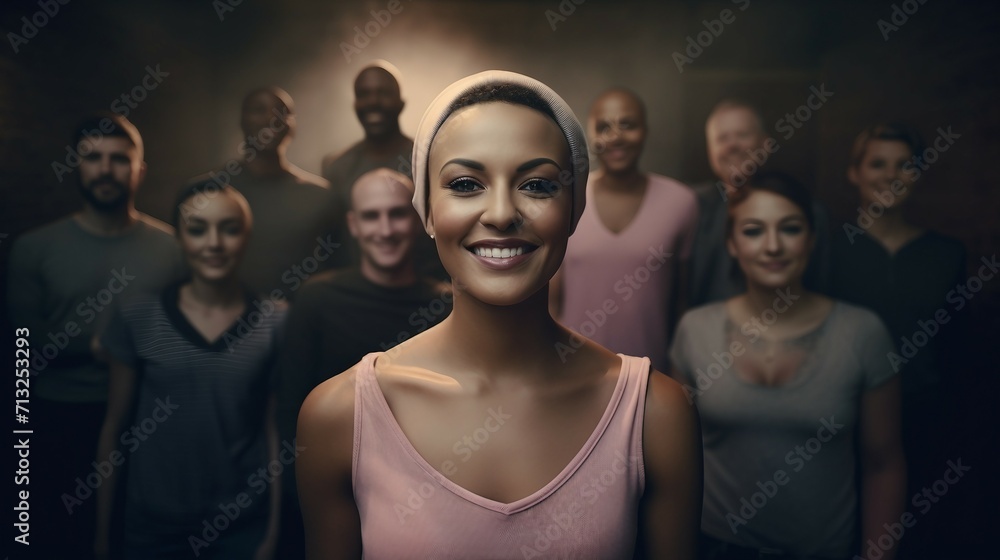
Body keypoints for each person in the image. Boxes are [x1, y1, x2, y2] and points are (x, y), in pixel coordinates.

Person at [297, 71, 702, 559]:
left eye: (536, 184)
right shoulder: (341, 415)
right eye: (466, 184)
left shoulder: (656, 414)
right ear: (426, 208)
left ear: (574, 209)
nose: (502, 212)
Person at [670, 172, 906, 559]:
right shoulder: (695, 331)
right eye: (753, 231)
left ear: (812, 239)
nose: (773, 246)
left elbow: (884, 463)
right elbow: (677, 466)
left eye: (790, 228)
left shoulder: (863, 332)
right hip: (714, 548)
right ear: (731, 243)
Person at [6, 112, 184, 559]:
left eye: (119, 159)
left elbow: (179, 338)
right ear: (76, 165)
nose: (106, 169)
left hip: (144, 424)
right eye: (93, 157)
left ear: (140, 169)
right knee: (51, 542)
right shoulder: (34, 248)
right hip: (53, 422)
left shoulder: (171, 249)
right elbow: (19, 350)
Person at [95, 180, 285, 559]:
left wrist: (272, 533)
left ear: (246, 236)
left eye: (229, 229)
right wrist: (101, 539)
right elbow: (114, 429)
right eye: (197, 229)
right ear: (179, 238)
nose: (213, 243)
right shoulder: (138, 315)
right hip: (151, 528)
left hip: (240, 529)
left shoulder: (275, 321)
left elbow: (276, 434)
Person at [274, 168, 451, 558]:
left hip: (424, 498)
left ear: (421, 220)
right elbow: (289, 408)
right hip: (331, 491)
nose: (385, 229)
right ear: (353, 225)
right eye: (371, 216)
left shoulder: (447, 305)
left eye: (397, 213)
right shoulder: (317, 299)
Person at [831, 123, 966, 559]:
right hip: (841, 423)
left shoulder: (946, 254)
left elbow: (957, 351)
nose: (891, 175)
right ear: (855, 173)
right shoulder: (828, 249)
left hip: (924, 420)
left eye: (904, 165)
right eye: (877, 163)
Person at [552, 87, 698, 371]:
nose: (616, 136)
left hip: (650, 375)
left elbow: (682, 303)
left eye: (627, 125)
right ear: (590, 136)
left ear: (645, 130)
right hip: (569, 372)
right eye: (604, 127)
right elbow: (550, 302)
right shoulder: (565, 198)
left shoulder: (681, 202)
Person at [688, 99, 831, 307]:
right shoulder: (689, 208)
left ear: (765, 144)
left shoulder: (809, 211)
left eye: (742, 135)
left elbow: (823, 286)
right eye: (722, 138)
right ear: (710, 151)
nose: (732, 146)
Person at [215, 86, 345, 298]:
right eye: (258, 110)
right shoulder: (211, 190)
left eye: (281, 112)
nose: (270, 118)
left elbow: (338, 269)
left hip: (303, 324)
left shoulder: (322, 197)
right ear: (242, 120)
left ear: (292, 125)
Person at [322, 61, 445, 280]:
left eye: (383, 93)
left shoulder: (431, 158)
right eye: (364, 94)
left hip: (425, 288)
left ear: (401, 103)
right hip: (358, 295)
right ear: (355, 103)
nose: (373, 102)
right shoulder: (336, 167)